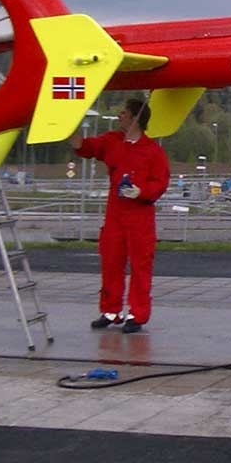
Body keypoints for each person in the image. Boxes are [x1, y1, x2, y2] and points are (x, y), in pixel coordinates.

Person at [72, 97, 170, 333]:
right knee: (111, 262)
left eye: (124, 113)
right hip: (115, 215)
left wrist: (142, 192)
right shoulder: (112, 142)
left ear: (136, 118)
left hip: (140, 218)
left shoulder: (153, 152)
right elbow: (87, 147)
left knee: (140, 266)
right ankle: (110, 310)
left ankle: (137, 314)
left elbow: (160, 183)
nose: (119, 116)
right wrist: (71, 132)